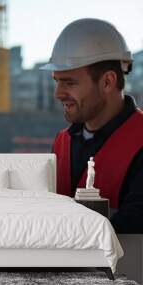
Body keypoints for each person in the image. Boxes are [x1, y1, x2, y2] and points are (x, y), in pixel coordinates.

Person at [41, 18, 143, 233]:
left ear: (107, 82)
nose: (58, 94)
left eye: (69, 82)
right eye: (56, 81)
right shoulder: (63, 142)